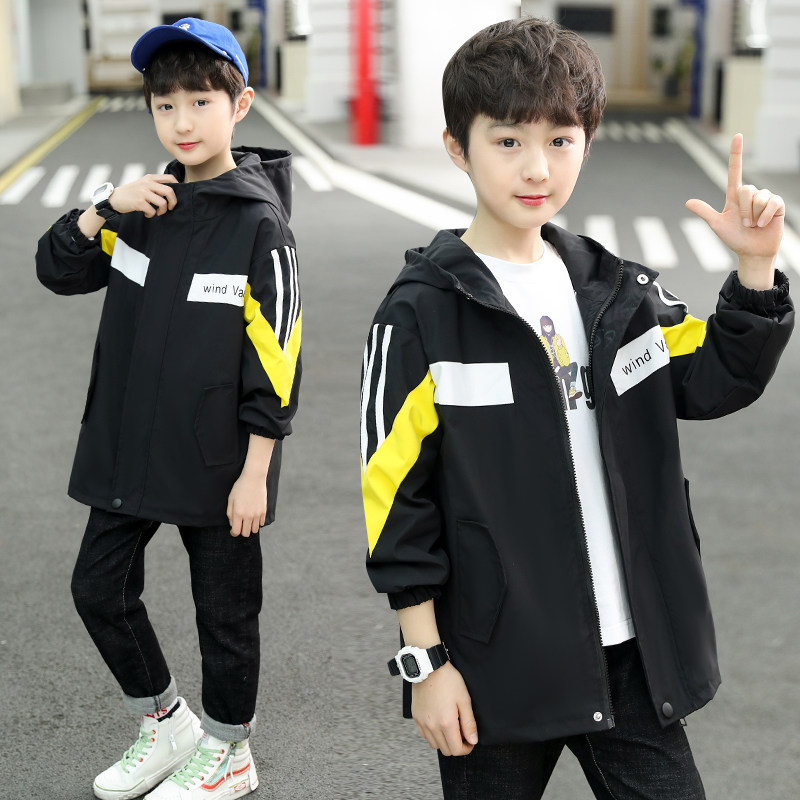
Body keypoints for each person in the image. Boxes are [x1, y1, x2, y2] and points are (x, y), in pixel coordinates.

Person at [359, 17, 793, 800]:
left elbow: (713, 378)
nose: (537, 167)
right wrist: (426, 664)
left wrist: (756, 271)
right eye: (508, 141)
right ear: (458, 147)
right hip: (497, 664)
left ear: (587, 143)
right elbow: (395, 500)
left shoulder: (616, 291)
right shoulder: (421, 313)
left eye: (560, 140)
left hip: (631, 657)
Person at [36, 17, 301, 800]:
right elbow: (57, 269)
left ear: (239, 105)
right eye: (164, 105)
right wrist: (103, 207)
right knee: (97, 588)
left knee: (225, 614)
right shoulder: (140, 207)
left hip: (219, 462)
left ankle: (230, 752)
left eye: (200, 101)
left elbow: (278, 363)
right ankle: (166, 722)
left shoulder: (260, 224)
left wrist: (256, 472)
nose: (182, 121)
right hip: (130, 446)